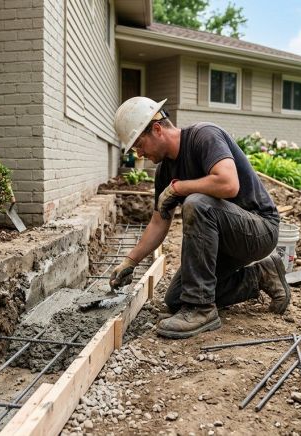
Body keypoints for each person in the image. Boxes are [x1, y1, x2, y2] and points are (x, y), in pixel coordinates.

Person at [108, 96, 291, 339]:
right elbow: (158, 221)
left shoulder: (204, 136)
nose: (139, 154)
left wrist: (180, 188)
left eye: (139, 145)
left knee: (197, 203)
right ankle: (261, 276)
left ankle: (202, 309)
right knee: (176, 299)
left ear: (157, 129)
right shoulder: (164, 171)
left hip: (258, 229)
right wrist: (130, 261)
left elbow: (228, 184)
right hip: (222, 243)